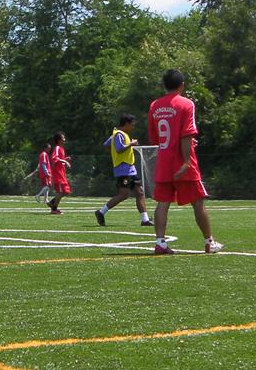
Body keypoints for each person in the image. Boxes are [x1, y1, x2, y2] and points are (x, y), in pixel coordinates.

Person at [147, 69, 223, 255]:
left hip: (164, 162)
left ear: (164, 85)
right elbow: (186, 133)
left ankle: (160, 243)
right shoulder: (186, 104)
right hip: (182, 162)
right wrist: (187, 161)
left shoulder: (155, 105)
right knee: (198, 202)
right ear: (182, 86)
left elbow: (155, 138)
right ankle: (209, 242)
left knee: (162, 203)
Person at [95, 114, 153, 227]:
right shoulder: (119, 134)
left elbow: (106, 144)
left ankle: (145, 220)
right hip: (123, 170)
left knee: (140, 192)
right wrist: (131, 144)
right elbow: (119, 149)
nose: (133, 127)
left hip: (130, 169)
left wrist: (113, 153)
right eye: (132, 125)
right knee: (124, 194)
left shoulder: (118, 134)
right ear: (126, 124)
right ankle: (101, 212)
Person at [47, 132, 71, 215]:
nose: (65, 139)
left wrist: (65, 159)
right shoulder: (57, 148)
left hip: (61, 173)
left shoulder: (61, 149)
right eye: (63, 138)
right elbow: (54, 158)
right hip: (58, 173)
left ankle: (51, 203)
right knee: (61, 192)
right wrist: (65, 161)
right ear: (59, 140)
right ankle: (54, 209)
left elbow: (59, 160)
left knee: (66, 191)